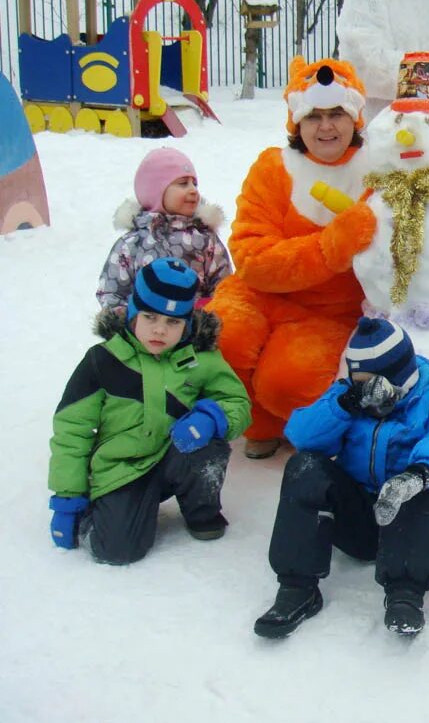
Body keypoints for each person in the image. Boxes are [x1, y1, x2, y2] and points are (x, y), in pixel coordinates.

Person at [253, 317, 429, 639]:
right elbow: (302, 436)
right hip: (360, 516)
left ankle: (405, 593)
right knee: (305, 466)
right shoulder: (348, 394)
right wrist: (342, 406)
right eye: (358, 381)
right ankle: (297, 587)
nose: (364, 390)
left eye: (372, 382)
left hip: (407, 519)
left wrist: (417, 474)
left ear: (397, 376)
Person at [207, 57, 376, 459]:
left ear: (356, 117)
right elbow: (251, 257)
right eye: (314, 116)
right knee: (221, 335)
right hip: (258, 294)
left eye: (337, 113)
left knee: (288, 380)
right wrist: (327, 248)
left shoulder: (379, 170)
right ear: (296, 123)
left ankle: (287, 421)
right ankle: (255, 422)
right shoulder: (274, 167)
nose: (327, 126)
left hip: (330, 313)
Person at [48, 258, 250, 565]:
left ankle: (201, 510)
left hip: (176, 454)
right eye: (150, 317)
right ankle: (106, 514)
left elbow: (237, 403)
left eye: (173, 322)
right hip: (123, 468)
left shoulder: (202, 357)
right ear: (132, 312)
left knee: (207, 444)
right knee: (116, 552)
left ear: (188, 322)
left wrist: (212, 418)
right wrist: (67, 498)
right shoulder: (102, 361)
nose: (160, 330)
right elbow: (71, 430)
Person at [97, 147, 231, 311]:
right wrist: (128, 320)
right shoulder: (132, 243)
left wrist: (207, 316)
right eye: (183, 184)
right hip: (144, 332)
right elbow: (111, 292)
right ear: (154, 190)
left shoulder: (204, 239)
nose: (193, 190)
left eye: (194, 184)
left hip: (193, 330)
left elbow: (225, 287)